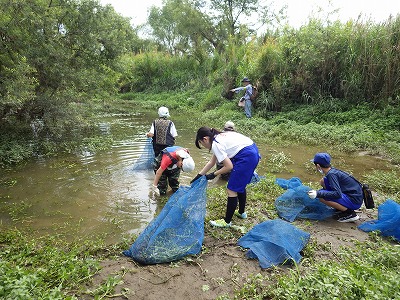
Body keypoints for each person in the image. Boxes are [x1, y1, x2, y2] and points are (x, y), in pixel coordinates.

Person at [191, 127, 260, 228]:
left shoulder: (216, 144)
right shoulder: (218, 137)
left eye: (201, 143)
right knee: (240, 184)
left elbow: (229, 166)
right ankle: (241, 213)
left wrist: (214, 174)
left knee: (231, 190)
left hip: (246, 156)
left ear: (205, 139)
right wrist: (199, 176)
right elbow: (211, 162)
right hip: (252, 152)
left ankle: (226, 222)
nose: (203, 146)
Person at [307, 152, 363, 222]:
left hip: (355, 201)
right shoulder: (332, 171)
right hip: (354, 196)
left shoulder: (331, 174)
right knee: (323, 181)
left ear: (318, 166)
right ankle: (341, 207)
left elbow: (337, 194)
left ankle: (350, 213)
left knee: (322, 197)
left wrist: (318, 193)